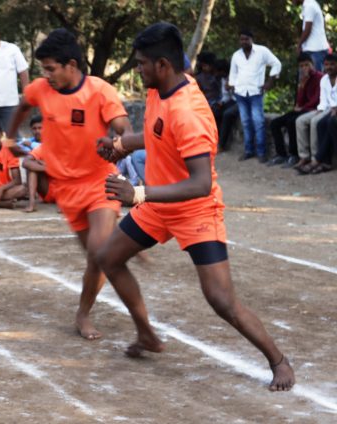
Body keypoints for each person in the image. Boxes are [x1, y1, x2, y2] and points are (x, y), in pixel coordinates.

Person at [95, 22, 295, 392]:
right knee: (108, 257)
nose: (137, 69)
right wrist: (122, 144)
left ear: (162, 65)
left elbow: (200, 182)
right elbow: (157, 134)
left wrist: (137, 194)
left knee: (220, 299)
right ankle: (147, 336)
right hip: (158, 203)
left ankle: (279, 361)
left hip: (195, 209)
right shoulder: (162, 90)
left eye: (141, 63)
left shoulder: (189, 112)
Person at [5, 28, 131, 339]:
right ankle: (118, 242)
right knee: (95, 254)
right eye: (43, 69)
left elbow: (122, 124)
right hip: (65, 188)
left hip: (100, 180)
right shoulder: (40, 90)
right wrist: (10, 136)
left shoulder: (100, 91)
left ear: (71, 65)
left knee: (99, 253)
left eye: (50, 69)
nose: (45, 76)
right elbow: (23, 104)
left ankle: (83, 314)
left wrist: (119, 139)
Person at [229, 29, 281, 163]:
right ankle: (248, 151)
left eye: (246, 39)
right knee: (246, 123)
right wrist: (232, 86)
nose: (244, 42)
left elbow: (277, 63)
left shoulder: (262, 51)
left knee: (258, 122)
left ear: (252, 39)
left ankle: (262, 153)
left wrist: (270, 81)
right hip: (240, 92)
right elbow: (233, 73)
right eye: (241, 39)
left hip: (256, 92)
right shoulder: (236, 55)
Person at [268, 53, 321, 166]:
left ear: (313, 64)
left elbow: (316, 100)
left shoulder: (319, 77)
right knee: (275, 123)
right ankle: (281, 154)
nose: (304, 68)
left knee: (291, 122)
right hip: (302, 109)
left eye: (307, 65)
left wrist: (302, 108)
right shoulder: (302, 78)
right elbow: (300, 101)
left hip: (312, 109)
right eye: (301, 66)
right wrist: (302, 85)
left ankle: (295, 155)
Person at [294, 54, 337, 171]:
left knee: (316, 122)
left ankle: (315, 158)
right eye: (327, 64)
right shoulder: (324, 80)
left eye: (332, 64)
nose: (329, 67)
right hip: (325, 108)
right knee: (300, 120)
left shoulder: (321, 77)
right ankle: (304, 156)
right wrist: (320, 110)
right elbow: (323, 100)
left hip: (334, 109)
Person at [294, 0, 330, 71]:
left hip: (315, 50)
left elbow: (307, 29)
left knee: (315, 80)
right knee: (306, 79)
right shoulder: (310, 4)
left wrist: (299, 45)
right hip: (313, 49)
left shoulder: (309, 6)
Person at [212, 58, 238, 151]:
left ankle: (222, 145)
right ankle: (215, 139)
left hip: (240, 101)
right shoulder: (223, 79)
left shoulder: (236, 75)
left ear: (223, 71)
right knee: (215, 111)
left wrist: (232, 86)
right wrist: (221, 102)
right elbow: (226, 96)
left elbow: (241, 92)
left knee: (227, 114)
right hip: (231, 100)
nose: (216, 74)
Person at [21, 144, 54, 213]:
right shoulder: (44, 147)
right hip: (48, 189)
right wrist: (49, 168)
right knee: (32, 166)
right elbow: (25, 162)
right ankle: (32, 202)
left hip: (66, 190)